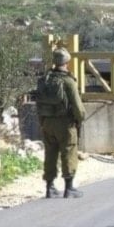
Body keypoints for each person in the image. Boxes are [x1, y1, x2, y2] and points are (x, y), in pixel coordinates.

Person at [38, 47, 86, 198]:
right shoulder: (68, 81)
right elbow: (78, 107)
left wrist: (42, 122)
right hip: (65, 123)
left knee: (50, 153)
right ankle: (69, 188)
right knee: (69, 152)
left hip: (47, 122)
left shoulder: (45, 80)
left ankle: (49, 187)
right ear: (66, 62)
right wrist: (80, 119)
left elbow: (39, 104)